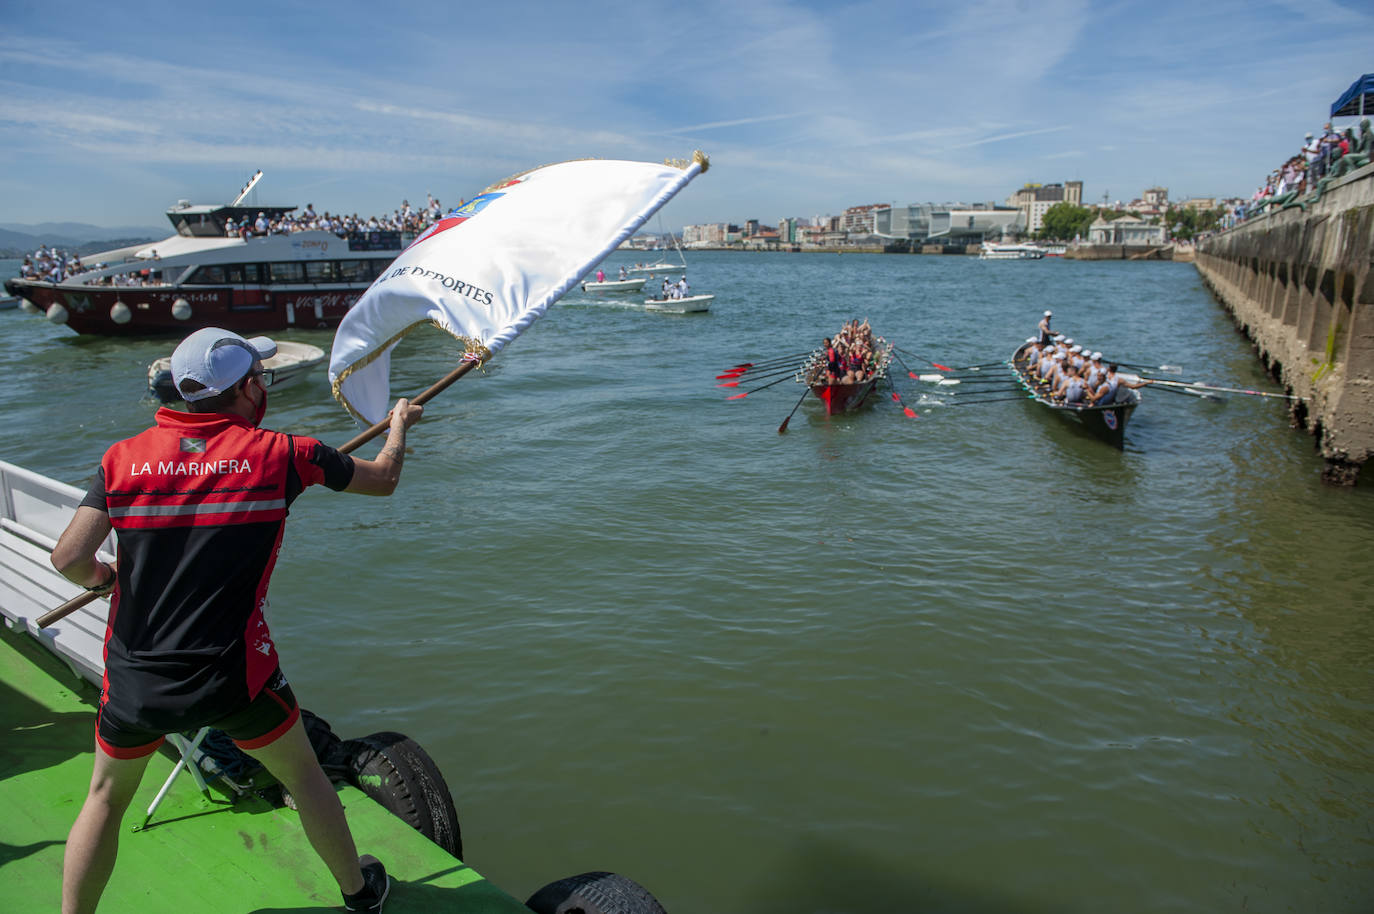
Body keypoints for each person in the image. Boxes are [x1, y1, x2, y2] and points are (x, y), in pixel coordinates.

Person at [50, 327, 423, 914]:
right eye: (261, 378)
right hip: (234, 680)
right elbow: (384, 479)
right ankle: (358, 893)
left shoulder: (119, 460)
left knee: (103, 800)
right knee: (305, 778)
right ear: (248, 388)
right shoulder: (284, 455)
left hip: (135, 681)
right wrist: (399, 424)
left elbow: (69, 558)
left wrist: (105, 579)